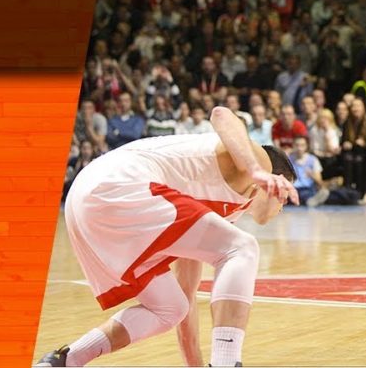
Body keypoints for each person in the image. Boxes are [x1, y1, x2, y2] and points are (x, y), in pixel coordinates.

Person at [36, 108, 298, 367]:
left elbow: (188, 295)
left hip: (86, 202)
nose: (284, 203)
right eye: (286, 193)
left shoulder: (213, 217)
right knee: (242, 248)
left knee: (172, 308)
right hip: (119, 183)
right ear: (277, 180)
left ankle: (66, 359)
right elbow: (221, 114)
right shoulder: (256, 165)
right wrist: (257, 170)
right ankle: (227, 363)